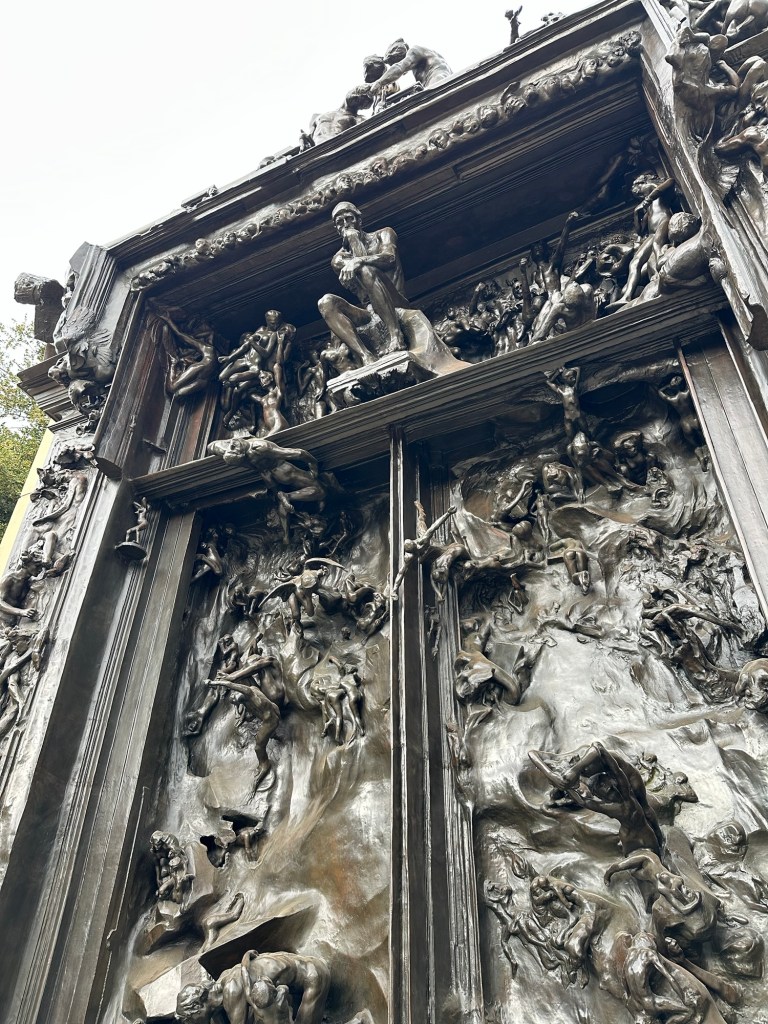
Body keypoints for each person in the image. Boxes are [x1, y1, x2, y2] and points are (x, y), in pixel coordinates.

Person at [318, 202, 411, 364]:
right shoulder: (338, 259)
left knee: (365, 269)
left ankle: (395, 334)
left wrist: (357, 258)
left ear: (359, 221)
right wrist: (354, 246)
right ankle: (365, 355)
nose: (346, 225)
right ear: (336, 229)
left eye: (349, 219)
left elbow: (389, 258)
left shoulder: (384, 234)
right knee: (326, 302)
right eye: (340, 222)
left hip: (396, 301)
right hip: (369, 312)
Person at [367, 39, 452, 95]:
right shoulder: (421, 61)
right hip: (443, 80)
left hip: (437, 81)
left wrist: (379, 82)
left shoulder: (414, 51)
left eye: (394, 63)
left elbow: (399, 68)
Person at [308, 87, 374, 145]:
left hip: (336, 150)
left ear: (364, 106)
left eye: (362, 99)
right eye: (359, 92)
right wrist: (303, 138)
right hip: (315, 151)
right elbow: (310, 138)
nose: (359, 96)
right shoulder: (316, 116)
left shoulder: (358, 119)